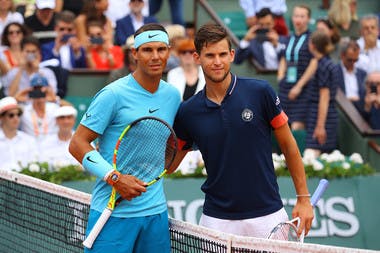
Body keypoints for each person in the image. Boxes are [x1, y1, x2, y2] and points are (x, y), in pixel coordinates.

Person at [172, 23, 314, 239]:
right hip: (216, 221)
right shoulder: (188, 112)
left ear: (231, 55)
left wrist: (304, 198)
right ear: (197, 57)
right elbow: (170, 165)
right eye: (210, 55)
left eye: (222, 54)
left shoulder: (261, 92)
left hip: (267, 216)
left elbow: (288, 145)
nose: (217, 61)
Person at [69, 23, 181, 252]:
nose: (155, 56)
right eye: (148, 50)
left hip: (156, 215)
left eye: (161, 49)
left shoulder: (172, 96)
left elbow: (168, 153)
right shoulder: (112, 94)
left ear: (169, 52)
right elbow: (77, 144)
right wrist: (116, 179)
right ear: (134, 54)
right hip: (112, 214)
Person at [277, 5, 317, 130]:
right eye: (296, 16)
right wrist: (280, 77)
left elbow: (314, 62)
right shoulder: (288, 38)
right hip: (286, 87)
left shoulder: (312, 38)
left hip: (303, 89)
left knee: (297, 125)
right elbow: (283, 58)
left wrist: (299, 86)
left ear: (308, 19)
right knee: (283, 125)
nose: (298, 19)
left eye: (302, 16)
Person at [305, 30, 339, 157]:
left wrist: (320, 126)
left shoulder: (323, 66)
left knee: (312, 155)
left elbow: (324, 97)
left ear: (312, 45)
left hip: (322, 116)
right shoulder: (325, 63)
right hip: (324, 114)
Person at [0, 96, 38, 172]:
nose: (16, 118)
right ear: (1, 118)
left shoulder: (29, 140)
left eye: (18, 115)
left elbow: (35, 165)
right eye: (11, 115)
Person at [18, 73, 60, 142]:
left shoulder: (54, 107)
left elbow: (71, 110)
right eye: (36, 89)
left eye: (41, 89)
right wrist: (18, 97)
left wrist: (55, 98)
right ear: (30, 90)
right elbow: (5, 111)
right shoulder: (24, 109)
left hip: (51, 147)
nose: (39, 92)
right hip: (30, 148)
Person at [336, 40, 367, 114]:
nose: (353, 63)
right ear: (342, 55)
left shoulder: (362, 74)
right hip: (341, 112)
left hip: (360, 112)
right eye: (350, 60)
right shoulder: (333, 72)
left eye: (356, 60)